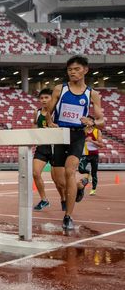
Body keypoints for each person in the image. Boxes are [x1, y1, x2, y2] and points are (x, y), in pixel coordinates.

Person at [48, 55, 104, 233]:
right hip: (59, 135)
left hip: (77, 136)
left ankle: (68, 216)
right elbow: (47, 110)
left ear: (85, 70)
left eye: (77, 69)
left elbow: (101, 120)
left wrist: (92, 122)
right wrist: (50, 122)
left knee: (70, 171)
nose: (73, 72)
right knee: (58, 179)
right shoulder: (60, 89)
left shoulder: (91, 94)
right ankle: (80, 186)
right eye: (70, 69)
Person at [32, 88, 57, 211]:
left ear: (52, 99)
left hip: (56, 147)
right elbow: (34, 127)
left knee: (58, 180)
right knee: (35, 173)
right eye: (41, 98)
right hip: (42, 147)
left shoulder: (56, 112)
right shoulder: (36, 112)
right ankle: (44, 199)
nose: (43, 100)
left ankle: (64, 198)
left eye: (46, 97)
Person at [78, 124, 103, 196]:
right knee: (81, 169)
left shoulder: (97, 131)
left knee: (94, 173)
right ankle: (88, 172)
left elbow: (101, 145)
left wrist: (91, 141)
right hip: (85, 154)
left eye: (89, 120)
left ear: (92, 122)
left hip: (94, 155)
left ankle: (93, 189)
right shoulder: (83, 130)